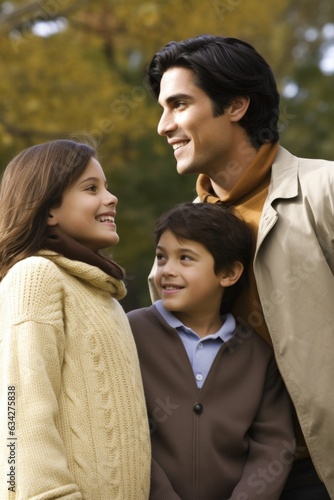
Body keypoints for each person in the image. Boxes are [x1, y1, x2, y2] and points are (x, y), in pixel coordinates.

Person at [145, 34, 334, 499]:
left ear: (235, 106)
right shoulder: (176, 240)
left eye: (179, 104)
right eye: (161, 108)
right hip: (231, 481)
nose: (162, 126)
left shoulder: (324, 190)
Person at [0, 139, 150, 499]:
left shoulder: (105, 297)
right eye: (91, 188)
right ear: (49, 209)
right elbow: (17, 412)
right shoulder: (36, 276)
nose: (111, 198)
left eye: (107, 187)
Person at [128, 202, 295, 500]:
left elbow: (273, 446)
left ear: (229, 273)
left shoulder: (257, 353)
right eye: (162, 257)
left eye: (186, 258)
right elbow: (122, 431)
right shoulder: (130, 334)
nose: (167, 270)